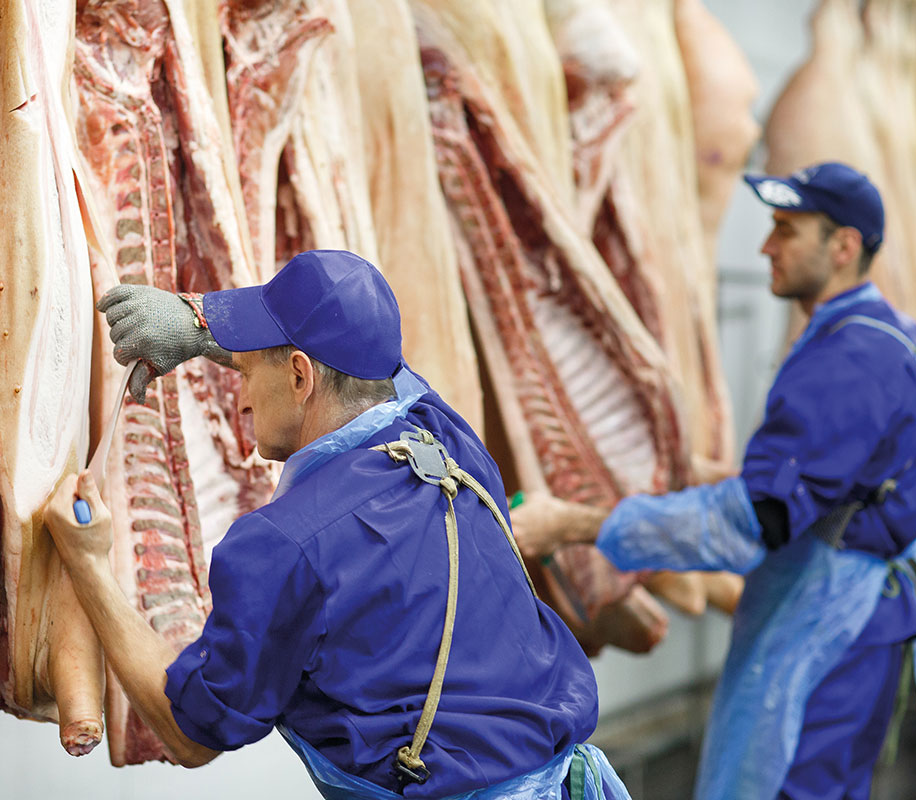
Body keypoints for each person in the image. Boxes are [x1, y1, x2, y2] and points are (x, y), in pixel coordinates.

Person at [43, 250, 631, 799]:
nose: (242, 400)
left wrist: (90, 564)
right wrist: (200, 331)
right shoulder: (445, 434)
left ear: (300, 377)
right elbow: (363, 360)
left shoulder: (283, 546)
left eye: (248, 375)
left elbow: (191, 734)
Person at [510, 162, 916, 800]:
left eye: (786, 230)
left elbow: (752, 520)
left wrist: (575, 524)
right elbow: (829, 487)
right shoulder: (889, 336)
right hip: (851, 624)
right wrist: (693, 477)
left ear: (844, 247)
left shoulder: (850, 358)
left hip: (827, 638)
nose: (764, 247)